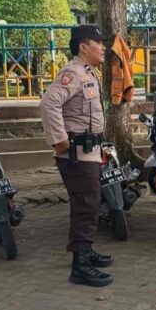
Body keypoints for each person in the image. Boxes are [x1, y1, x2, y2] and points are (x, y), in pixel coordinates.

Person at [40, 24, 114, 287]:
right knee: (86, 203)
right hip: (76, 153)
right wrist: (59, 139)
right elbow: (50, 102)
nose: (103, 47)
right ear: (84, 46)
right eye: (98, 42)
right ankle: (80, 266)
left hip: (89, 151)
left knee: (89, 203)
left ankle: (86, 249)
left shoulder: (88, 72)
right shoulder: (73, 73)